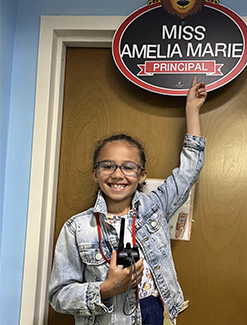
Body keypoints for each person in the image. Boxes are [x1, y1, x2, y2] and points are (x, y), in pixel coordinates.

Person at [48, 76, 207, 325]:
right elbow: (59, 296)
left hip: (155, 313)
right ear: (95, 173)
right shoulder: (76, 228)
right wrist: (107, 288)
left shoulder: (154, 207)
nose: (118, 174)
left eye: (128, 167)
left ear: (141, 174)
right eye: (108, 166)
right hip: (108, 319)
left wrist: (192, 110)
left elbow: (189, 170)